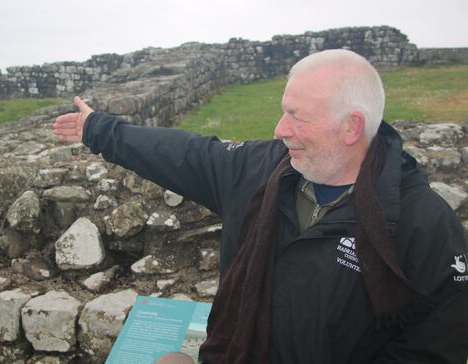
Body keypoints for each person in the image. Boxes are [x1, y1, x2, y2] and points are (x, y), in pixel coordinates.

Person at [54, 49, 468, 363]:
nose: (279, 129)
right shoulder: (261, 171)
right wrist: (100, 129)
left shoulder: (423, 226)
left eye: (296, 116)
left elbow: (434, 346)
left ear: (351, 126)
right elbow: (186, 154)